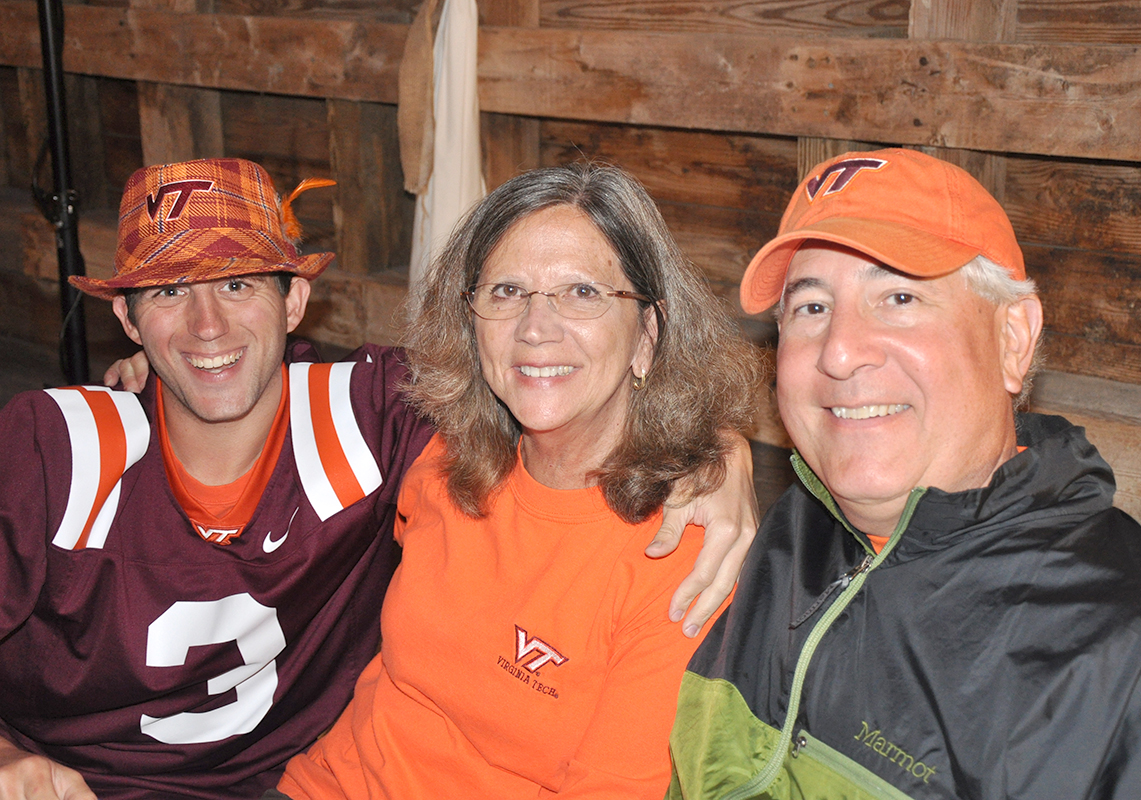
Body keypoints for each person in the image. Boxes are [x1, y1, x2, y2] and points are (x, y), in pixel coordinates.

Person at [0, 158, 757, 800]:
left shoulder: (376, 420)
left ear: (294, 299)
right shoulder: (51, 445)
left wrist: (718, 453)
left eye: (238, 286)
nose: (207, 327)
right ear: (129, 321)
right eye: (169, 293)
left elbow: (570, 389)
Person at [275, 163, 763, 799]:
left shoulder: (681, 558)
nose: (536, 328)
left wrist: (723, 448)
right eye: (506, 292)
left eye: (582, 292)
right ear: (471, 320)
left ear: (647, 334)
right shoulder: (443, 454)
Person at [667, 148, 1141, 799]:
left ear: (1012, 339)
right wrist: (714, 452)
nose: (837, 351)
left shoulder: (1118, 641)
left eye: (897, 296)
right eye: (809, 308)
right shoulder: (791, 527)